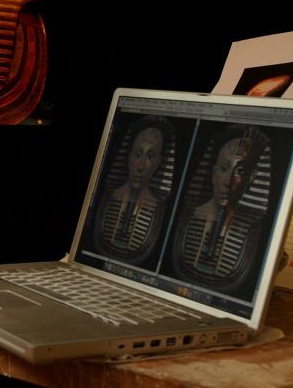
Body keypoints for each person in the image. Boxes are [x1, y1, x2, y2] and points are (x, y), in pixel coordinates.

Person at [170, 125, 272, 294]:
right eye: (224, 168)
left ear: (251, 177)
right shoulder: (192, 214)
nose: (228, 181)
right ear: (213, 171)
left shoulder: (250, 228)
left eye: (240, 171)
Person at [94, 116, 176, 266]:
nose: (141, 166)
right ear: (129, 157)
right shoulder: (111, 195)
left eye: (150, 156)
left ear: (158, 162)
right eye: (138, 154)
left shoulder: (157, 207)